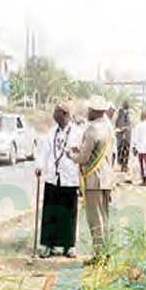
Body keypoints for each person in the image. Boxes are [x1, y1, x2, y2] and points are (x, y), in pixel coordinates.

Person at [68, 96, 115, 264]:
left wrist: (71, 154)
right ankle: (106, 252)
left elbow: (83, 157)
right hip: (107, 178)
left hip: (94, 180)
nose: (87, 112)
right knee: (104, 216)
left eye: (90, 110)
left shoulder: (92, 130)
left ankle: (99, 256)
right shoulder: (108, 126)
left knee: (94, 219)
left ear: (95, 112)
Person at [36, 102, 82, 258]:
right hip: (53, 177)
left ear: (65, 114)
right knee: (51, 212)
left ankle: (69, 245)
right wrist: (40, 166)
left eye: (57, 112)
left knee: (69, 213)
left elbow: (81, 155)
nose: (54, 115)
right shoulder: (51, 133)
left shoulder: (77, 133)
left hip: (69, 177)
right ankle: (48, 244)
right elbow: (44, 151)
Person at [115, 101, 132, 172]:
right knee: (121, 152)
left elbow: (129, 125)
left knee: (126, 152)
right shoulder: (120, 115)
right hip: (121, 137)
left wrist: (127, 128)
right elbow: (119, 125)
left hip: (126, 137)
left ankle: (124, 166)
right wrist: (123, 128)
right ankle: (122, 166)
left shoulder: (126, 115)